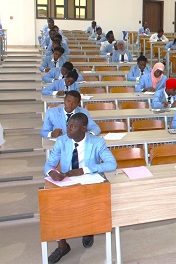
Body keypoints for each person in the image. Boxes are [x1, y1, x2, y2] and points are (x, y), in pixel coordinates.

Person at [43, 113, 117, 264]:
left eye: (72, 126)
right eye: (68, 125)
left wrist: (84, 170)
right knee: (52, 208)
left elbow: (111, 164)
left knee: (88, 206)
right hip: (66, 182)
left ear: (83, 128)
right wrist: (52, 172)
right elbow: (49, 163)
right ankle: (62, 245)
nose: (68, 129)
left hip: (88, 182)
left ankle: (87, 230)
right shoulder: (62, 141)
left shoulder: (97, 142)